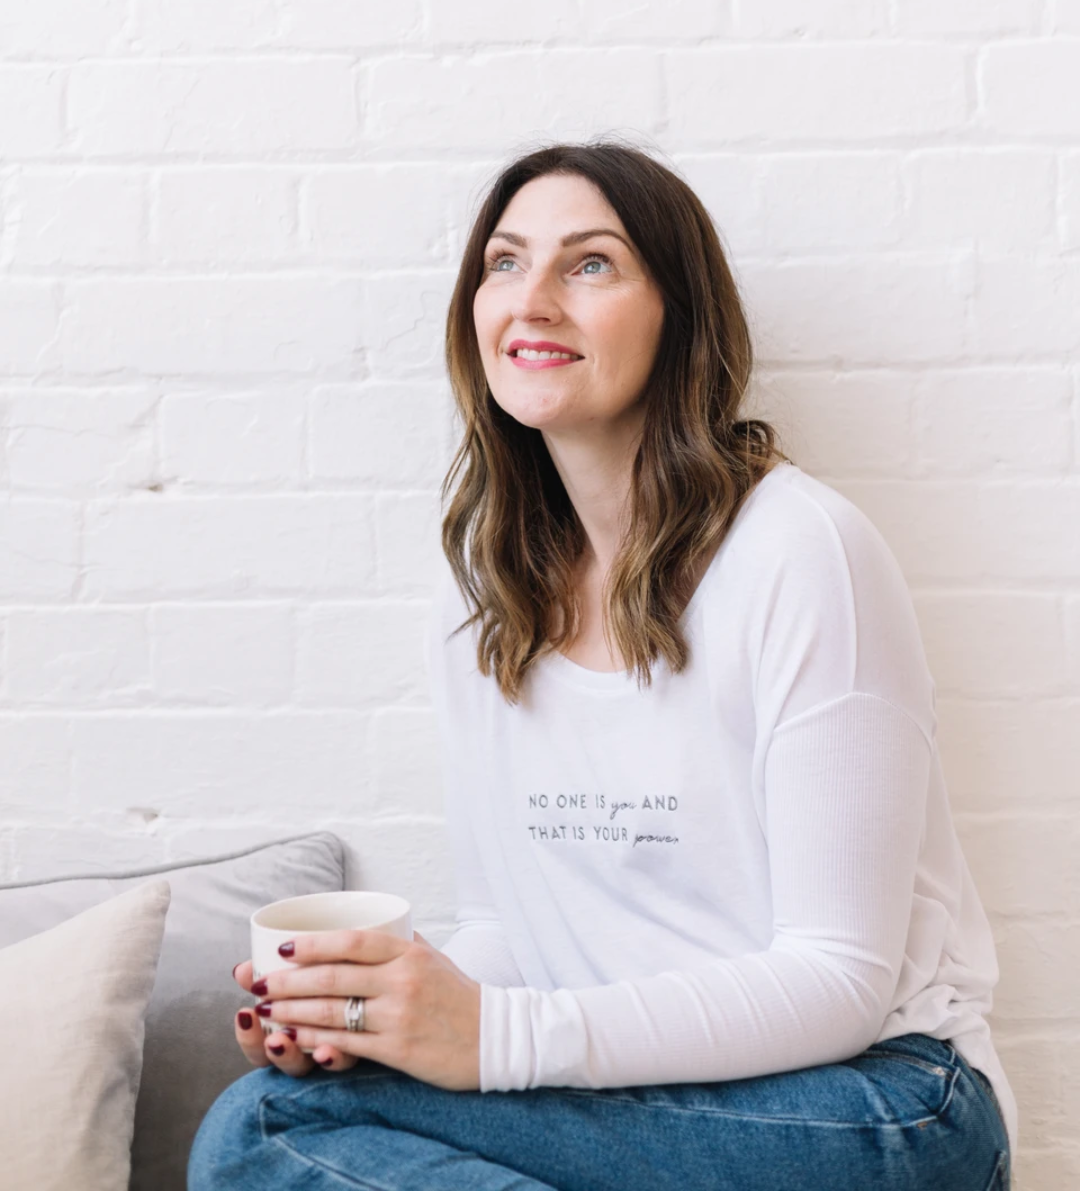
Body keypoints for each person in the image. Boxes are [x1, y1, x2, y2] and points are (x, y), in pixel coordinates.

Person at [189, 141, 1016, 1190]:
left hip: (882, 1101)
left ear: (680, 316)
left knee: (268, 1133)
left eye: (589, 264)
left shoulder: (800, 551)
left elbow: (839, 980)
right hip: (639, 1097)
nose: (531, 299)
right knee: (292, 1108)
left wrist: (492, 1040)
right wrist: (384, 1014)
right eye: (503, 262)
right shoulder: (484, 590)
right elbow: (511, 929)